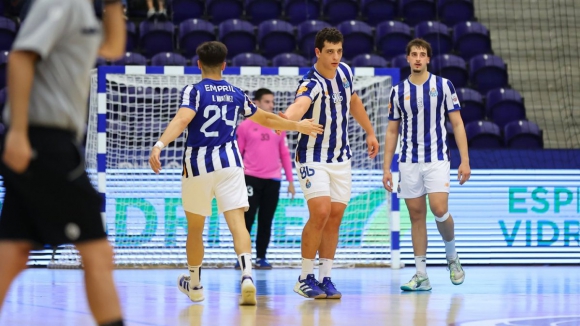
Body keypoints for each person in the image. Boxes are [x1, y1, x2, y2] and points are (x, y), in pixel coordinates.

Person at [148, 41, 323, 305]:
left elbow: (182, 119)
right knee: (238, 225)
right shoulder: (236, 93)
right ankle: (247, 276)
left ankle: (194, 284)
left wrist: (160, 145)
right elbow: (265, 118)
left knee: (196, 229)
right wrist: (296, 124)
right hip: (230, 165)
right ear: (224, 65)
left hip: (197, 166)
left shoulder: (193, 91)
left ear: (199, 65)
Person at [0, 0, 126, 325]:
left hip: (54, 141)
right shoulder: (60, 1)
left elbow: (112, 47)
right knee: (98, 252)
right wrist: (17, 131)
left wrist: (113, 5)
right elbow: (20, 57)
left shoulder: (83, 8)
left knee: (12, 253)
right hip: (43, 140)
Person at [282, 27, 379, 299]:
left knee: (335, 217)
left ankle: (325, 278)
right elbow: (298, 106)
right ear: (318, 52)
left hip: (341, 157)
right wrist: (287, 120)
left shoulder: (346, 72)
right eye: (330, 52)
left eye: (339, 51)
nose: (335, 57)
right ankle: (304, 277)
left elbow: (354, 101)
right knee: (321, 212)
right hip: (313, 156)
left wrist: (370, 132)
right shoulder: (311, 82)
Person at [382, 38, 471, 291]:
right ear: (407, 58)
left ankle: (452, 258)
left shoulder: (443, 86)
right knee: (416, 216)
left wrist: (465, 160)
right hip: (408, 161)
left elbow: (457, 124)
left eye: (422, 54)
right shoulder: (397, 91)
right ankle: (421, 275)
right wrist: (387, 168)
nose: (418, 58)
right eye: (414, 54)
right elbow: (391, 132)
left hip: (437, 159)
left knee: (439, 208)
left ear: (428, 59)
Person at [235, 88, 296, 270]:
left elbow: (284, 154)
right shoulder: (245, 126)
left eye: (272, 101)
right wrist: (236, 179)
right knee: (247, 219)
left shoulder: (278, 125)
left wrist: (291, 181)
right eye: (268, 101)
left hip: (273, 180)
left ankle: (261, 257)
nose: (271, 105)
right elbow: (238, 153)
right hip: (251, 178)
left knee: (266, 220)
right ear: (257, 103)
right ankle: (242, 258)